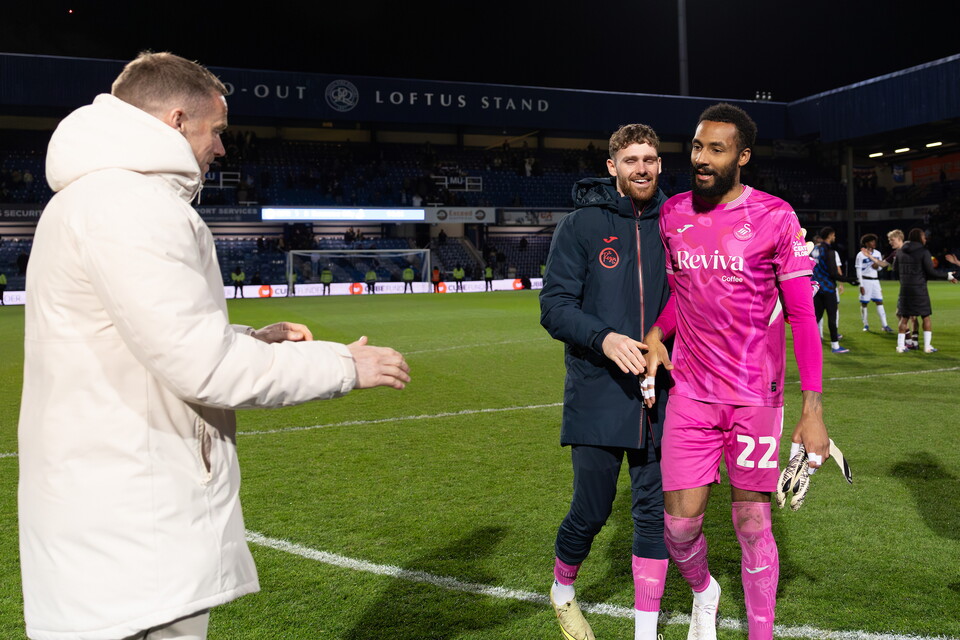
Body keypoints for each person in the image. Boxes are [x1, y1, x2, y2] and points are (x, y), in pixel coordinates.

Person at [18, 52, 411, 640]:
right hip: (134, 523)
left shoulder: (94, 197)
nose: (223, 148)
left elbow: (143, 341)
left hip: (109, 509)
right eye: (217, 130)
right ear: (177, 120)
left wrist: (254, 338)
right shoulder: (132, 205)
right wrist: (341, 364)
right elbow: (203, 368)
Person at [642, 103, 829, 640]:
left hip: (755, 398)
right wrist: (658, 332)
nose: (700, 159)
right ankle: (705, 588)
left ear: (742, 156)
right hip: (692, 396)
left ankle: (760, 634)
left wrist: (812, 412)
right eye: (697, 147)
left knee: (752, 523)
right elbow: (684, 294)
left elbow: (800, 316)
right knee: (678, 528)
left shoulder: (775, 217)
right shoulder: (672, 213)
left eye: (715, 149)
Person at [540, 123, 671, 640]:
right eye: (632, 159)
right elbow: (554, 308)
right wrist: (605, 338)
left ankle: (646, 628)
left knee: (652, 512)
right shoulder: (581, 226)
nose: (643, 168)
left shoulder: (673, 222)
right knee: (591, 511)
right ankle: (563, 591)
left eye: (651, 159)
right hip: (598, 388)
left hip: (661, 390)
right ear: (612, 167)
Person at [888, 228, 958, 353]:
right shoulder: (923, 251)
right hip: (919, 289)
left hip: (905, 289)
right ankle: (927, 346)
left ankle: (900, 346)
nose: (925, 239)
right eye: (924, 237)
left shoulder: (899, 252)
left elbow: (895, 270)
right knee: (925, 316)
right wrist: (948, 275)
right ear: (919, 238)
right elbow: (931, 272)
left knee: (904, 317)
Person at [811, 227, 849, 353]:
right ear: (830, 235)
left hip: (816, 288)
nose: (835, 237)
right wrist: (849, 279)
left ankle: (811, 345)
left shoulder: (814, 249)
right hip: (828, 289)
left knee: (816, 318)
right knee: (832, 317)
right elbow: (833, 273)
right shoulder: (829, 251)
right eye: (834, 235)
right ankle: (835, 346)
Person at [855, 233, 893, 332]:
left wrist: (878, 267)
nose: (874, 243)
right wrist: (861, 285)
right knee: (864, 303)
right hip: (865, 280)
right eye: (872, 241)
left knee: (879, 301)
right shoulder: (860, 254)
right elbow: (858, 270)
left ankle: (885, 325)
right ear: (866, 243)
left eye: (874, 241)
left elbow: (880, 268)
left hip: (875, 281)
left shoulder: (877, 253)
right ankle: (866, 324)